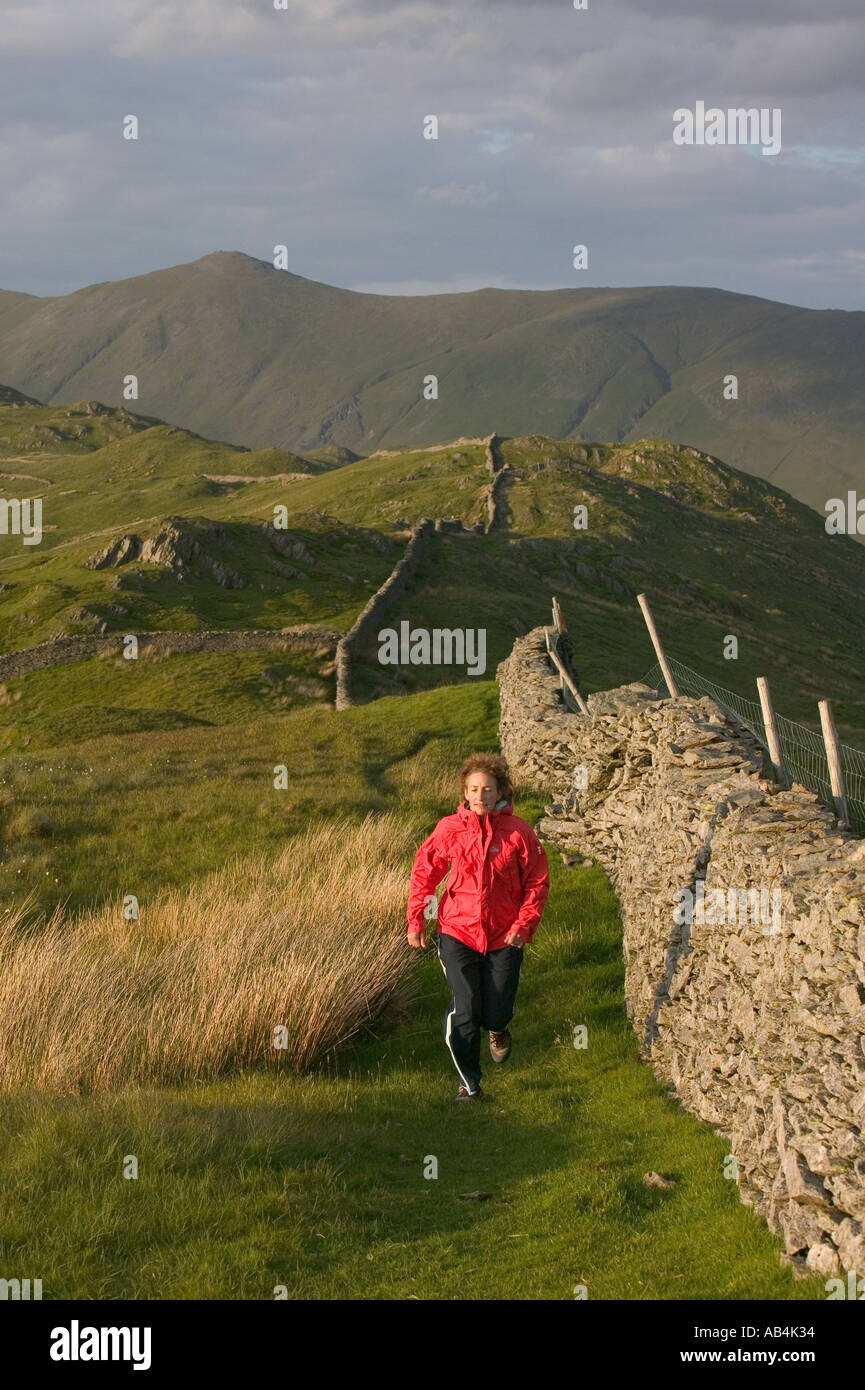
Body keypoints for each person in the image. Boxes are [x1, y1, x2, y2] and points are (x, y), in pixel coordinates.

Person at [406, 752, 550, 1101]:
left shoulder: (519, 833)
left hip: (506, 935)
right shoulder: (449, 829)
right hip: (457, 931)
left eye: (487, 789)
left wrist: (524, 924)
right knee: (465, 1008)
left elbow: (537, 881)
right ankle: (469, 1086)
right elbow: (425, 874)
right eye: (474, 789)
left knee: (496, 1009)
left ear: (501, 790)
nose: (480, 796)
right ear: (465, 792)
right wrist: (418, 919)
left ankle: (499, 1029)